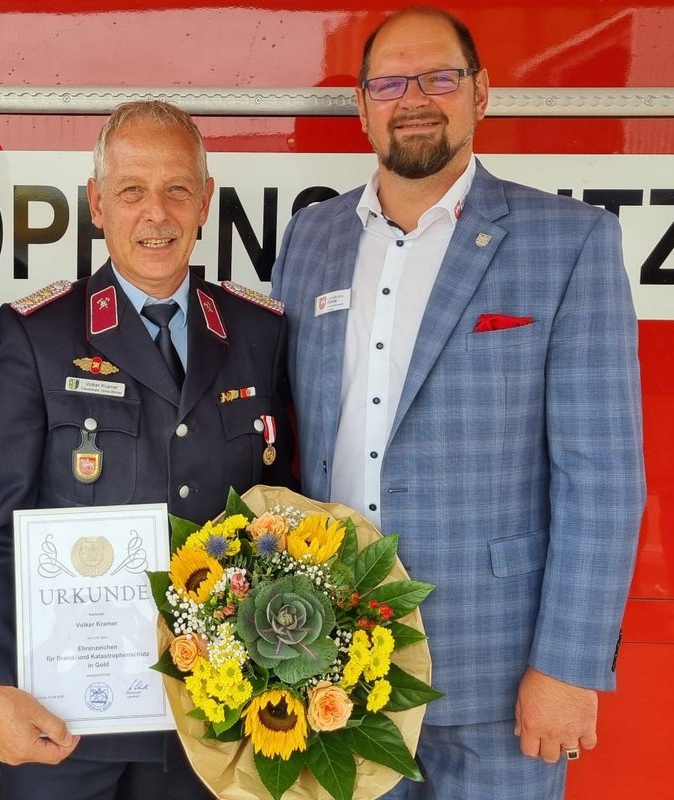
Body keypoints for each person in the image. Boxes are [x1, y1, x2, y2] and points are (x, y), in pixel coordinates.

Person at [272, 6, 645, 798]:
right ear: (362, 105)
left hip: (499, 678)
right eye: (389, 83)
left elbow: (603, 475)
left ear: (480, 93)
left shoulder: (569, 241)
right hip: (329, 664)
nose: (414, 100)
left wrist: (568, 666)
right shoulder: (310, 240)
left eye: (439, 78)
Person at [0, 100, 295, 800]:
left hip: (214, 719)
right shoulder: (38, 335)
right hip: (66, 724)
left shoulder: (259, 332)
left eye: (176, 190)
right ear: (97, 203)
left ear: (206, 201)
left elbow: (286, 515)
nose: (155, 213)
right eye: (132, 190)